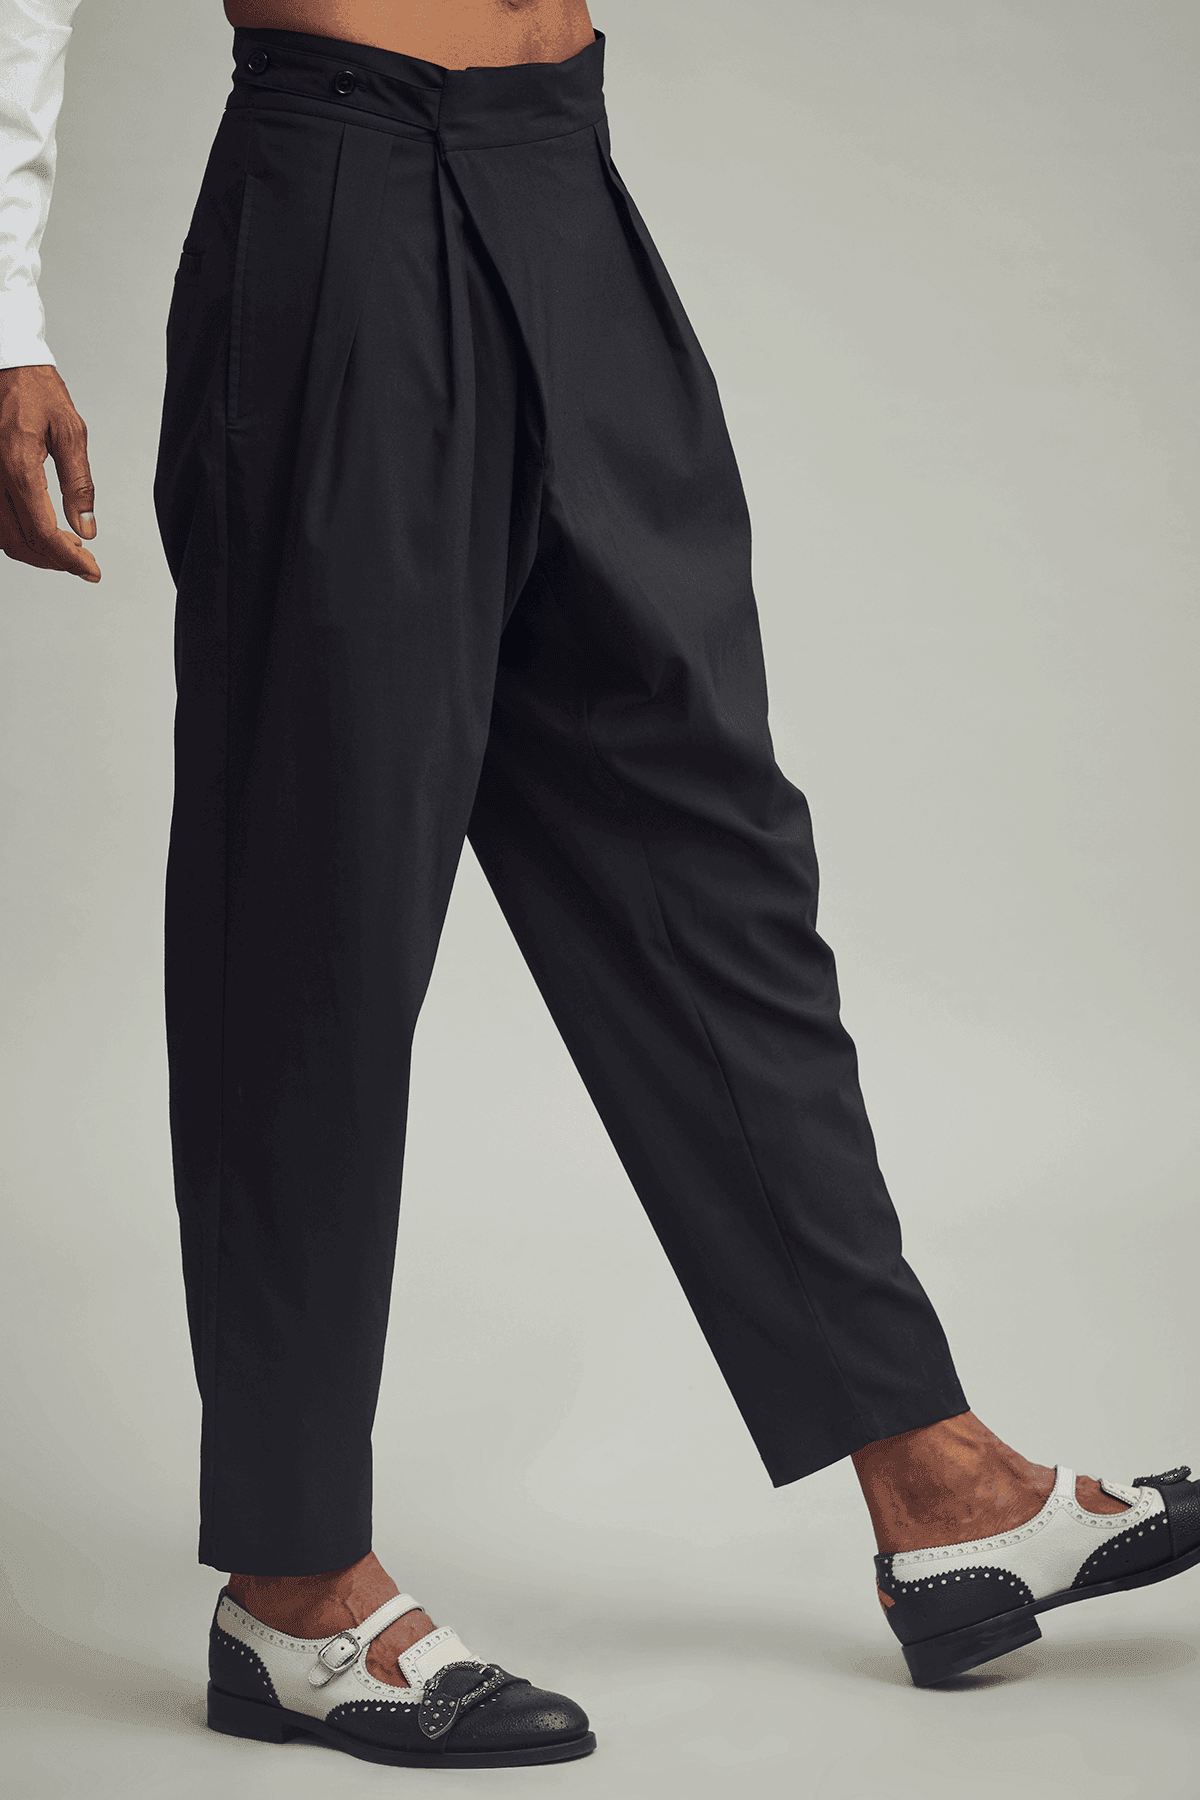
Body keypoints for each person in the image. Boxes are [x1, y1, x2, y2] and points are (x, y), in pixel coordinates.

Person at [2, 0, 1196, 1770]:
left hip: (562, 170)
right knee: (317, 911)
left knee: (706, 859)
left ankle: (940, 1485)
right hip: (341, 184)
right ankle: (294, 1584)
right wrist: (1, 311)